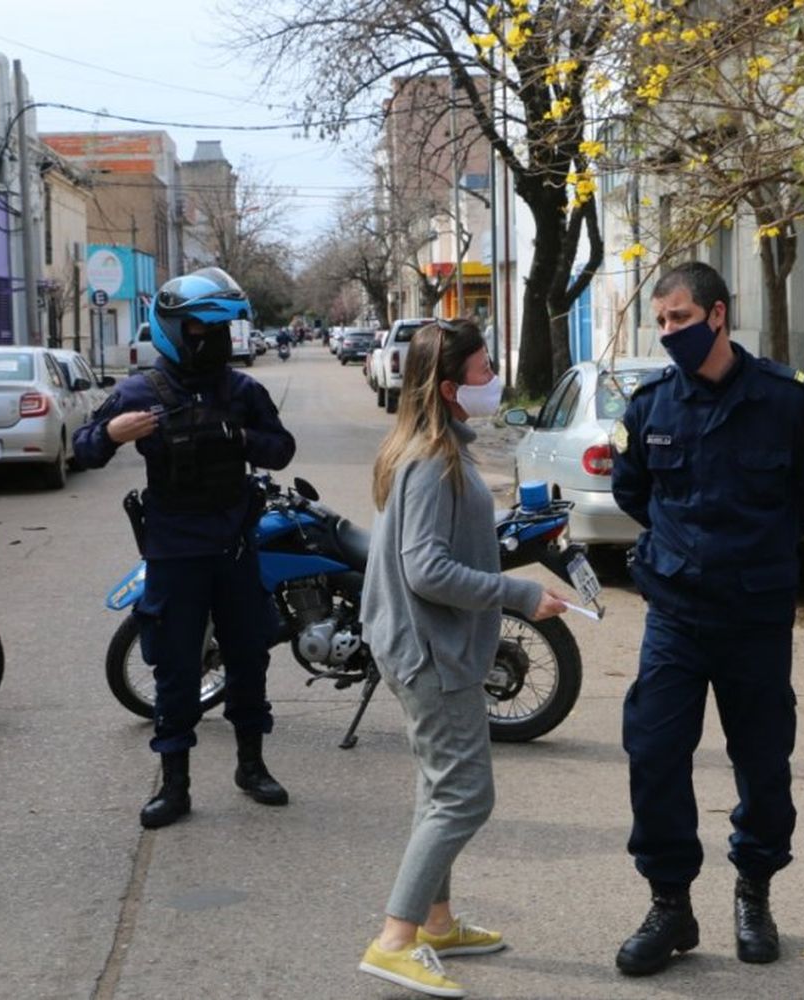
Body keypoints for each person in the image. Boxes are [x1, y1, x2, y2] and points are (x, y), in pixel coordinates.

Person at [610, 262, 804, 976]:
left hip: (755, 617)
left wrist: (760, 548)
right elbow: (633, 493)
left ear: (718, 315)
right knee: (654, 756)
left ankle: (754, 891)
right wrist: (685, 553)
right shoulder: (650, 407)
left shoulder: (786, 400)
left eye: (679, 318)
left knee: (764, 764)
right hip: (676, 615)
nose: (668, 331)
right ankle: (671, 905)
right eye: (661, 321)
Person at [358, 319, 568, 998]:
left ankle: (437, 923)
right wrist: (518, 594)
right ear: (450, 388)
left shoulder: (436, 445)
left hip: (427, 645)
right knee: (465, 796)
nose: (494, 380)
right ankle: (395, 938)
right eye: (483, 371)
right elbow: (426, 570)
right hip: (430, 651)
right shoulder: (431, 460)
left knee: (437, 786)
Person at [72, 267, 296, 829]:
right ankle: (175, 785)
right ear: (174, 328)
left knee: (248, 657)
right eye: (201, 328)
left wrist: (239, 438)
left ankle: (251, 766)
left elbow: (281, 449)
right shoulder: (139, 392)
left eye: (222, 329)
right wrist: (113, 433)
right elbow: (86, 449)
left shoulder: (243, 390)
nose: (214, 340)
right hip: (174, 554)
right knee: (174, 671)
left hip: (236, 551)